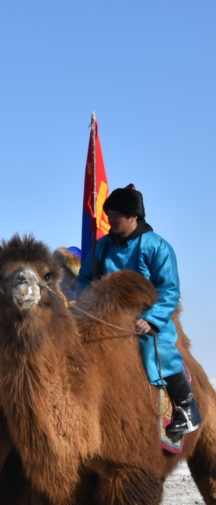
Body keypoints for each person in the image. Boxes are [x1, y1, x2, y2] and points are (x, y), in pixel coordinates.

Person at [76, 184, 202, 442]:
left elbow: (169, 289)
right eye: (109, 214)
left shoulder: (157, 247)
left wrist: (152, 320)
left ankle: (187, 408)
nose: (110, 220)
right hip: (104, 315)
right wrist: (80, 304)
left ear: (133, 216)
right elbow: (85, 279)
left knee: (155, 350)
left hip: (144, 317)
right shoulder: (102, 247)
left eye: (115, 216)